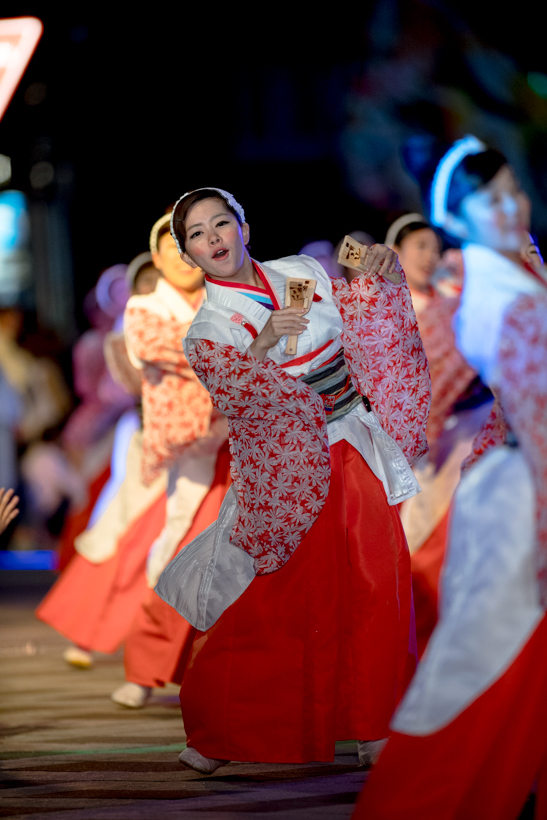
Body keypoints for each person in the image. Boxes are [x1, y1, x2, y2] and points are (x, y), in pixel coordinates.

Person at [155, 187, 430, 773]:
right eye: (198, 235)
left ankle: (375, 721)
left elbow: (355, 267)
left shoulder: (302, 269)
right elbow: (241, 396)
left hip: (351, 440)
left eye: (221, 223)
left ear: (244, 227)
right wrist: (266, 341)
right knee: (273, 598)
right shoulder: (206, 330)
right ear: (189, 255)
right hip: (285, 469)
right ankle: (219, 728)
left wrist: (378, 261)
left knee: (377, 578)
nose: (214, 239)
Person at [354, 136, 547, 820]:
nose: (509, 205)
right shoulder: (488, 295)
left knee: (507, 664)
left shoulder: (508, 274)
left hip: (514, 474)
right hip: (526, 487)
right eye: (488, 198)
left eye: (513, 190)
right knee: (481, 665)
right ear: (456, 218)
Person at [110, 213, 229, 708]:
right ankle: (146, 665)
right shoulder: (142, 307)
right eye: (175, 248)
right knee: (178, 547)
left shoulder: (226, 297)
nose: (184, 257)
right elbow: (175, 351)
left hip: (242, 438)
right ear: (156, 259)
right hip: (190, 449)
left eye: (191, 245)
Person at [386, 213, 490, 655]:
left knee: (452, 531)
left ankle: (437, 635)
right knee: (411, 534)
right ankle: (403, 634)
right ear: (396, 254)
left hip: (459, 433)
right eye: (418, 247)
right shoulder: (385, 310)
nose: (428, 257)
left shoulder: (451, 301)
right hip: (407, 442)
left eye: (434, 247)